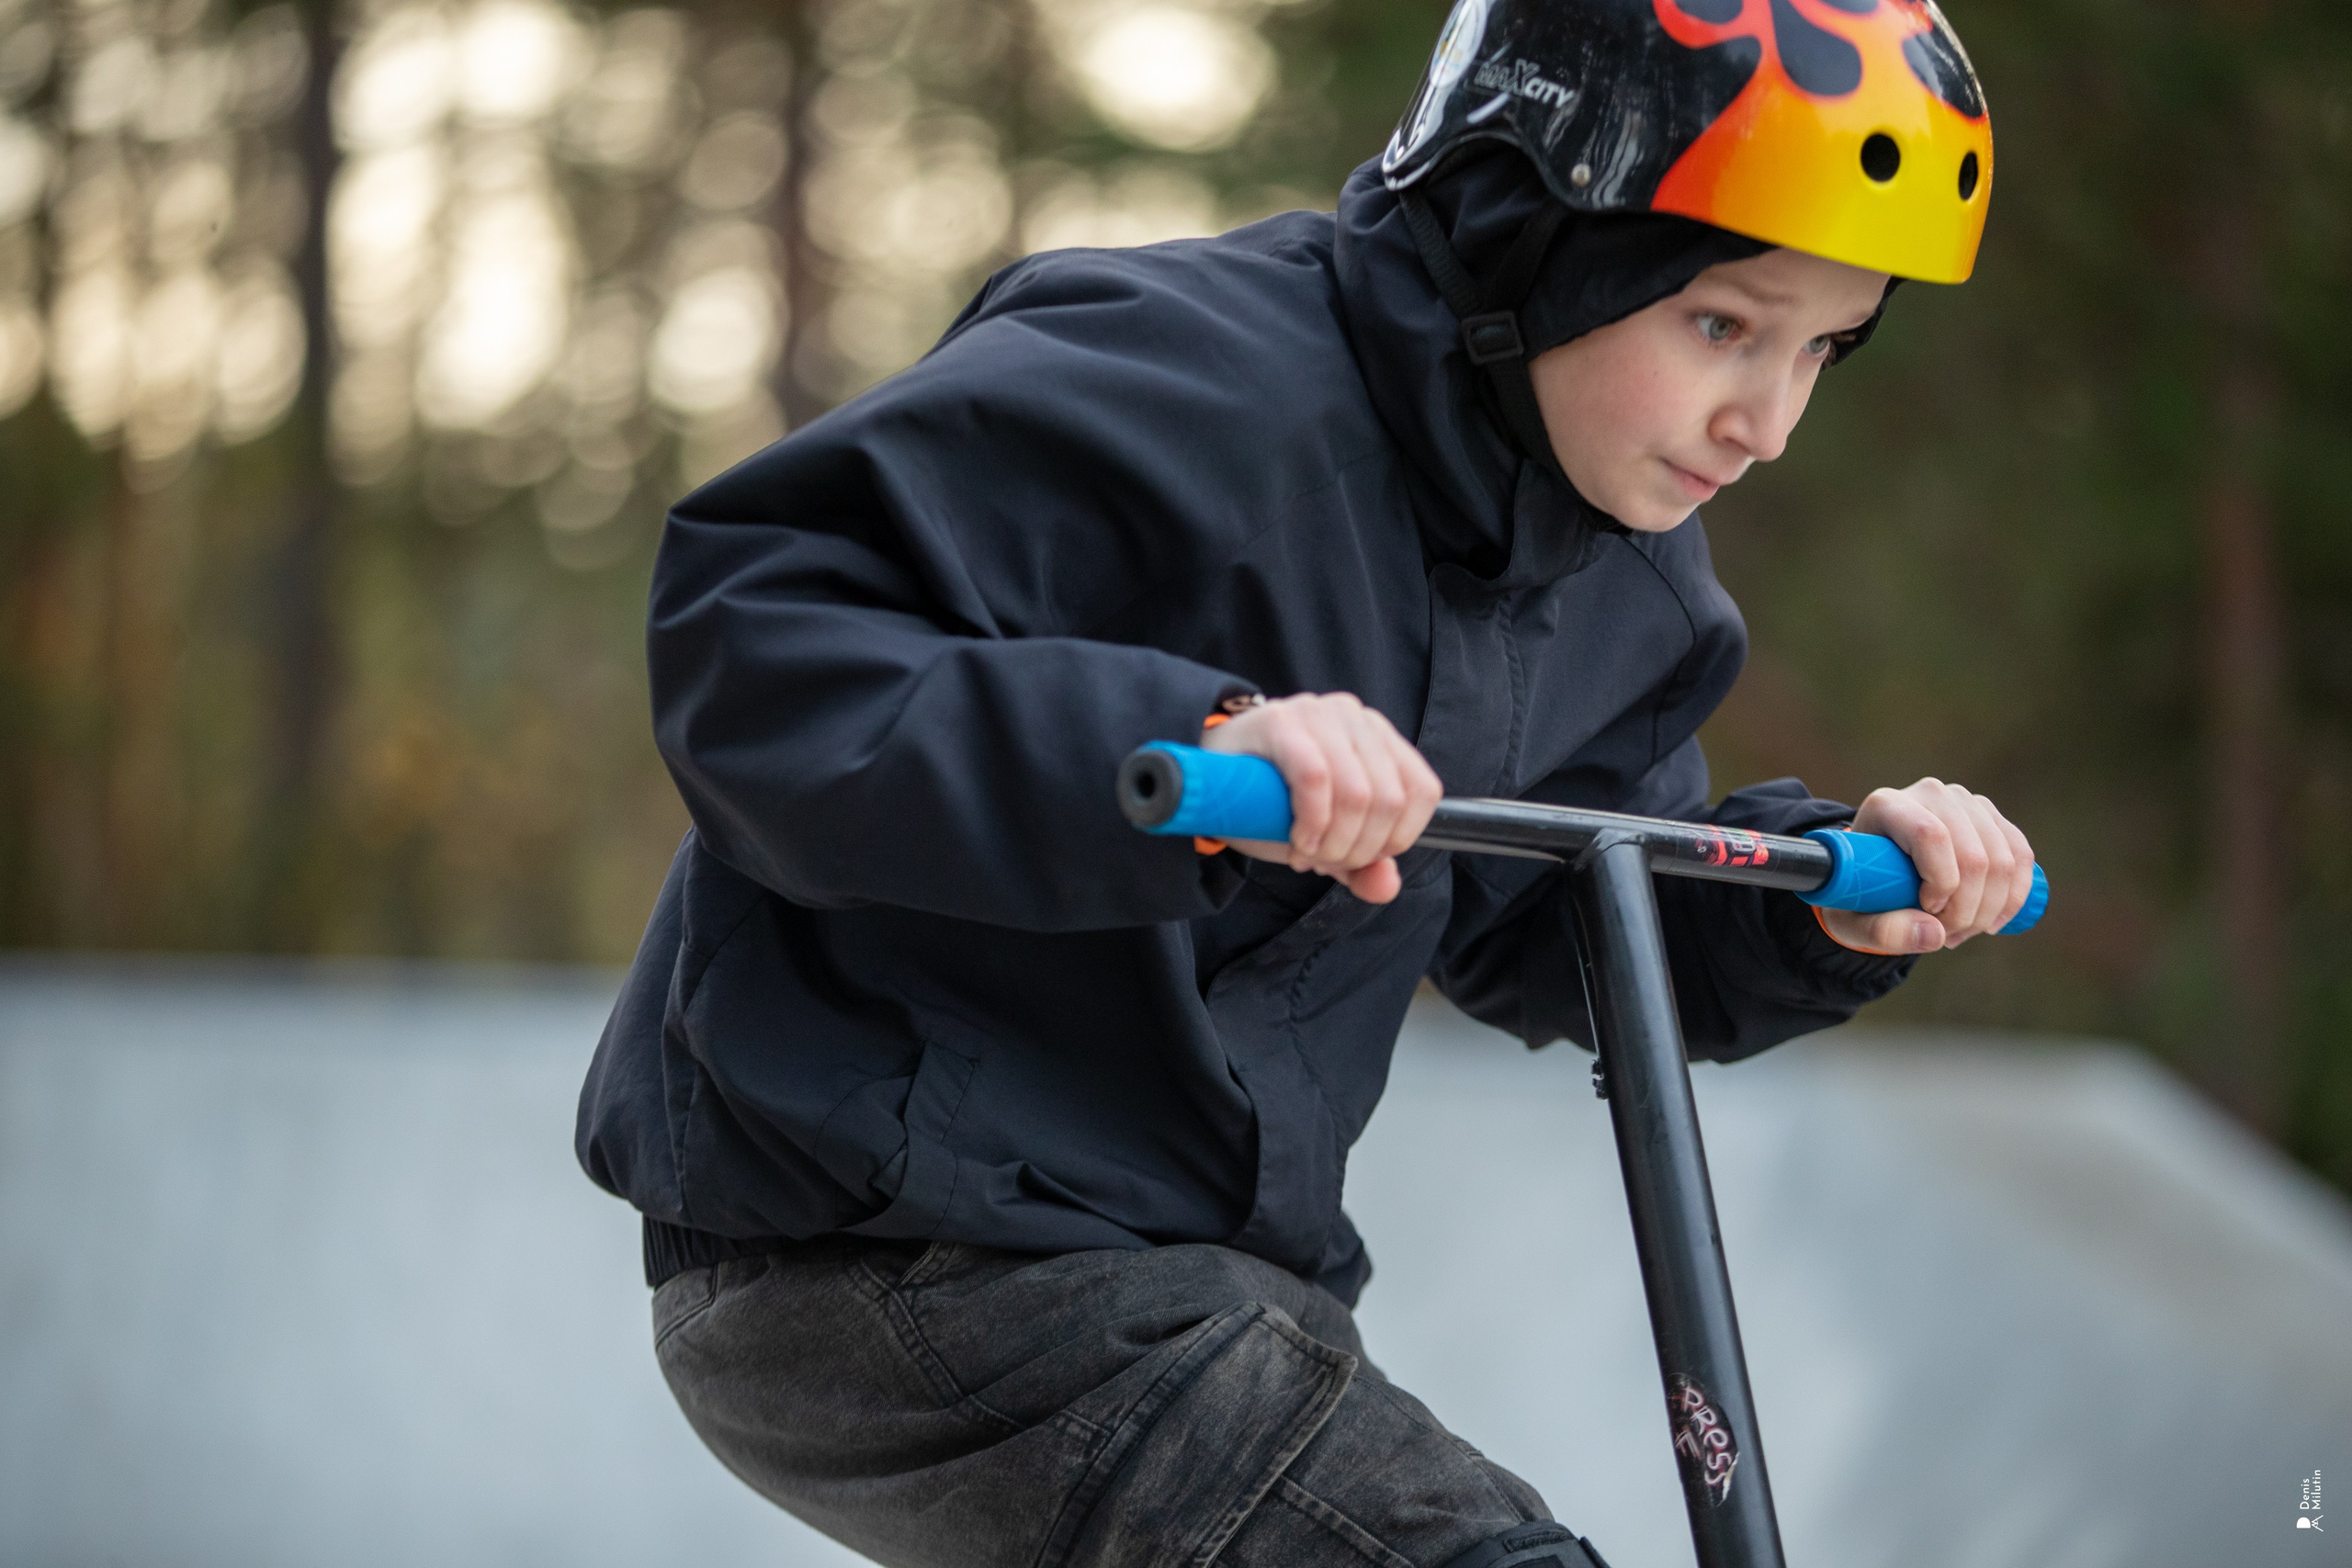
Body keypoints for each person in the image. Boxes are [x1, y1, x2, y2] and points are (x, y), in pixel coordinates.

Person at [575, 2, 2031, 1564]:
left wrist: (1815, 911)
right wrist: (1194, 739)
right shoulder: (1177, 380)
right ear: (1530, 236)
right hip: (887, 1240)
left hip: (1206, 1280)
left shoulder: (1625, 584)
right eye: (1724, 326)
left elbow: (1567, 920)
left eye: (1823, 348)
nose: (1769, 423)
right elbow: (759, 648)